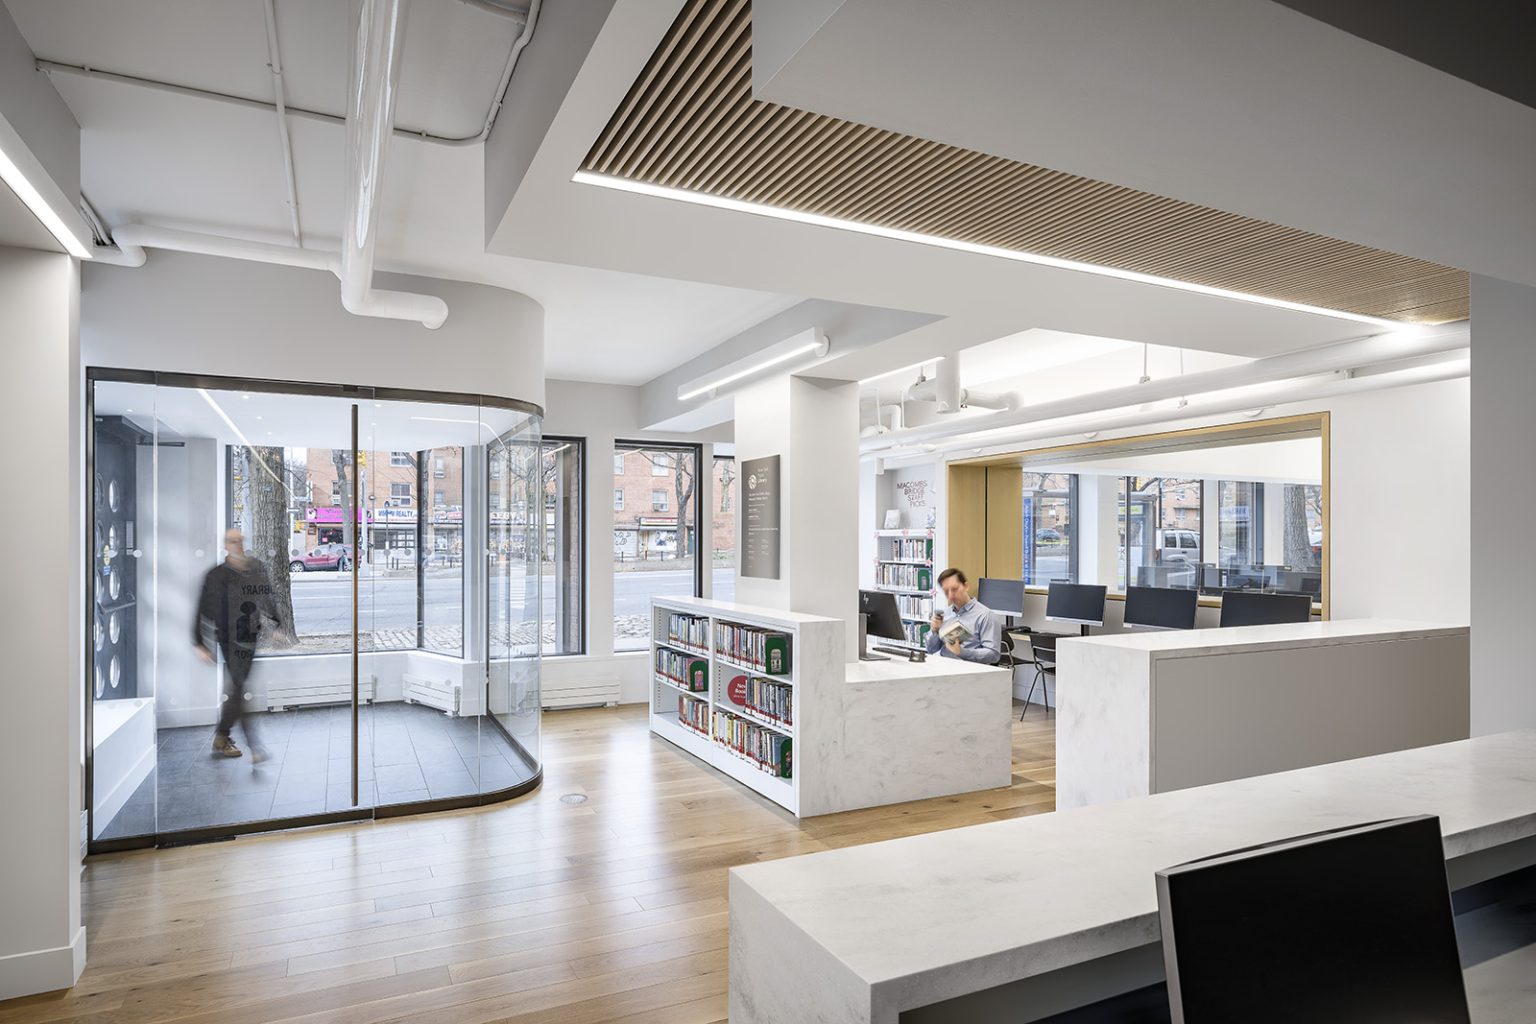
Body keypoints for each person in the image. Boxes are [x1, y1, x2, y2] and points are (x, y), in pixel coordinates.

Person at [194, 528, 278, 761]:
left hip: (250, 637)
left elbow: (266, 598)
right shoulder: (216, 576)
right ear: (225, 545)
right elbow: (201, 609)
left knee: (237, 691)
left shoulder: (256, 569)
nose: (238, 545)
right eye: (233, 541)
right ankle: (255, 747)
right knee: (240, 690)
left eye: (240, 540)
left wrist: (275, 625)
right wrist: (200, 642)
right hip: (228, 640)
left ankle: (222, 736)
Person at [925, 567, 1002, 664]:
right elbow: (931, 650)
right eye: (946, 591)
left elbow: (994, 655)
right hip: (943, 665)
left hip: (968, 669)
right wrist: (934, 631)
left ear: (966, 586)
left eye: (955, 589)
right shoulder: (945, 614)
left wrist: (962, 652)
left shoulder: (985, 616)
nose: (951, 595)